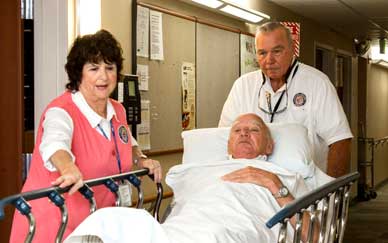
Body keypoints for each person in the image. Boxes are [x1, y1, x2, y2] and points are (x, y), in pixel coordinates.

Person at [65, 113, 318, 243]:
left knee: (211, 236)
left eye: (254, 130)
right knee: (112, 218)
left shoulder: (284, 177)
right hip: (182, 228)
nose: (244, 134)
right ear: (228, 145)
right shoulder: (199, 170)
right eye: (238, 131)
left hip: (232, 230)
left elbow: (314, 235)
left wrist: (272, 183)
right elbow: (181, 207)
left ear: (270, 146)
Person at [10, 30, 162, 243]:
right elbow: (54, 145)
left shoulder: (117, 110)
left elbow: (127, 142)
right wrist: (68, 168)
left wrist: (141, 159)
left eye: (110, 68)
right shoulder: (61, 111)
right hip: (53, 226)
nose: (104, 76)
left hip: (95, 225)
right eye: (94, 68)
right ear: (78, 73)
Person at [218, 21, 353, 178]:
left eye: (277, 51)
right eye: (262, 53)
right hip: (254, 186)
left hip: (307, 189)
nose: (269, 60)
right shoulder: (243, 86)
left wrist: (331, 192)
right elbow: (224, 136)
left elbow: (340, 140)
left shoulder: (317, 83)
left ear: (291, 49)